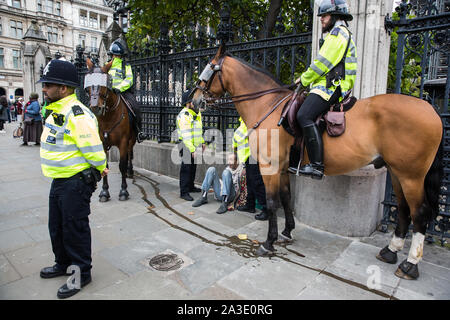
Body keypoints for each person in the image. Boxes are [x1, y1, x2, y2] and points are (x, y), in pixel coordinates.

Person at [37, 59, 109, 299]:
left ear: (64, 88)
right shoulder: (56, 109)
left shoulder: (77, 114)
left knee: (74, 228)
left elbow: (94, 148)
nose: (44, 89)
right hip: (59, 180)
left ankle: (81, 274)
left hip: (75, 181)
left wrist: (101, 168)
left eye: (48, 85)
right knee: (56, 226)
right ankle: (63, 264)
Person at [288, 0, 356, 179]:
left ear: (335, 16)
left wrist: (303, 79)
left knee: (304, 115)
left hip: (332, 86)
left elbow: (322, 64)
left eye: (324, 16)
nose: (321, 20)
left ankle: (317, 166)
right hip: (328, 84)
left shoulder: (337, 34)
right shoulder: (337, 34)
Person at [108, 38, 146, 143]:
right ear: (111, 55)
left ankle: (139, 132)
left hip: (123, 93)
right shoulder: (107, 66)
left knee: (136, 108)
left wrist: (118, 88)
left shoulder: (126, 66)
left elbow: (129, 80)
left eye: (118, 56)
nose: (116, 57)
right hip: (109, 94)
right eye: (114, 55)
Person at [233, 117, 268, 221]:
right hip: (247, 157)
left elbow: (239, 137)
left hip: (252, 155)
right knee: (250, 182)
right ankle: (250, 205)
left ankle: (266, 210)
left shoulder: (249, 121)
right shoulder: (242, 122)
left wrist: (234, 141)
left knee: (257, 182)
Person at [176, 89, 205, 201]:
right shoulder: (185, 115)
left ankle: (191, 186)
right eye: (194, 100)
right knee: (186, 168)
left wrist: (202, 142)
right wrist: (192, 149)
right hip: (186, 145)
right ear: (188, 103)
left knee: (193, 166)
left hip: (194, 145)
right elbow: (186, 135)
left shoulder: (196, 114)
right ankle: (184, 192)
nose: (196, 102)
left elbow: (198, 130)